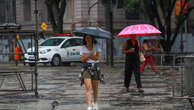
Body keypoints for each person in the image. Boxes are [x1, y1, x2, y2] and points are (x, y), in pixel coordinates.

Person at [80, 34, 101, 110]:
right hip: (86, 68)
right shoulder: (83, 47)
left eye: (89, 38)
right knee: (88, 87)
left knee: (95, 88)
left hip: (95, 67)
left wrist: (87, 56)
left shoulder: (96, 46)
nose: (87, 39)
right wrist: (90, 54)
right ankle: (89, 106)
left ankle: (95, 103)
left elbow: (98, 58)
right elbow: (82, 60)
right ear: (85, 39)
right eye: (86, 38)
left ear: (92, 38)